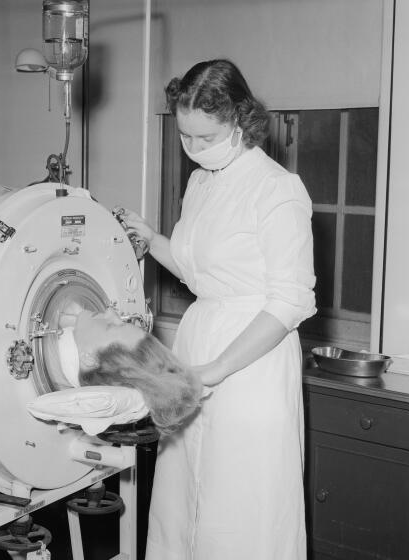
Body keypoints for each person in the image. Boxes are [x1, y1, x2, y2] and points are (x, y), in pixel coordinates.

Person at [118, 59, 316, 559]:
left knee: (239, 506)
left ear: (240, 120)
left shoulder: (277, 189)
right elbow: (202, 272)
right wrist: (153, 239)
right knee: (182, 500)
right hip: (199, 342)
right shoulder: (201, 183)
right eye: (186, 137)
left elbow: (290, 300)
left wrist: (216, 369)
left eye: (206, 138)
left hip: (252, 358)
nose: (195, 149)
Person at [57, 303, 203, 435]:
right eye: (122, 322)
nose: (111, 313)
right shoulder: (84, 343)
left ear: (89, 358)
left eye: (110, 326)